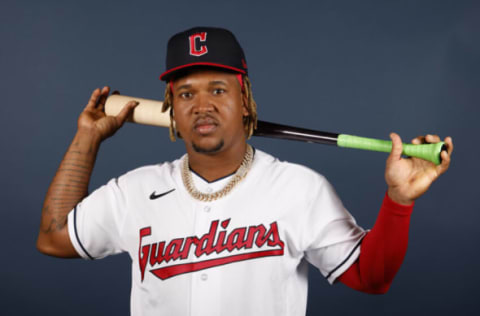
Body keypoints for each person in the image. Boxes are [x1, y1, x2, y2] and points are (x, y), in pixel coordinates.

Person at [37, 27, 453, 316]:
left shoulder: (299, 189)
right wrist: (87, 137)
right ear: (172, 112)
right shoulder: (135, 191)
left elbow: (371, 276)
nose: (202, 105)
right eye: (186, 93)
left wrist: (398, 202)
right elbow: (54, 238)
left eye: (218, 90)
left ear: (246, 102)